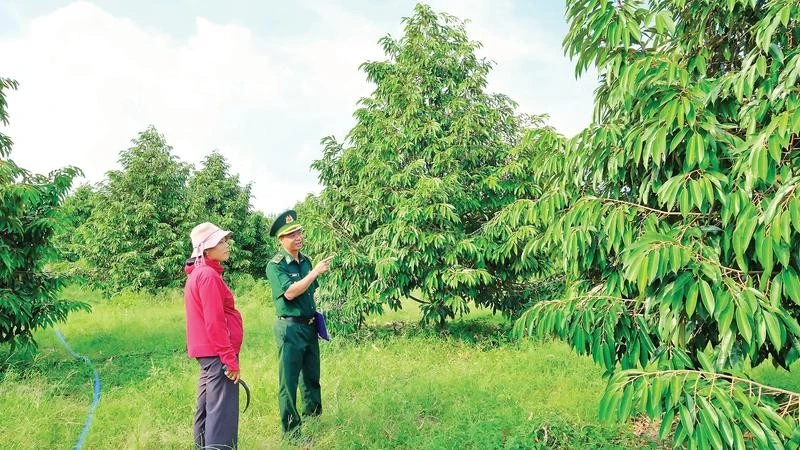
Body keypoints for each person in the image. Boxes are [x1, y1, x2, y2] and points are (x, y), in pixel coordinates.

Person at [266, 210, 333, 437]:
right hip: (290, 329)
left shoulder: (305, 261)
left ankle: (313, 418)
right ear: (281, 239)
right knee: (289, 382)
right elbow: (291, 293)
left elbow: (310, 292)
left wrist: (311, 271)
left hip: (309, 326)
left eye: (299, 232)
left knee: (312, 377)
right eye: (291, 234)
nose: (298, 237)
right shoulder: (275, 266)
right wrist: (314, 273)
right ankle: (292, 433)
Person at [184, 222, 243, 449]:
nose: (226, 245)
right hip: (217, 354)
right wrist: (229, 359)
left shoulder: (199, 274)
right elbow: (214, 322)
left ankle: (203, 446)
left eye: (225, 240)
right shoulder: (207, 275)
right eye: (220, 242)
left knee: (207, 407)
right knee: (221, 413)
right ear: (205, 250)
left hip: (209, 355)